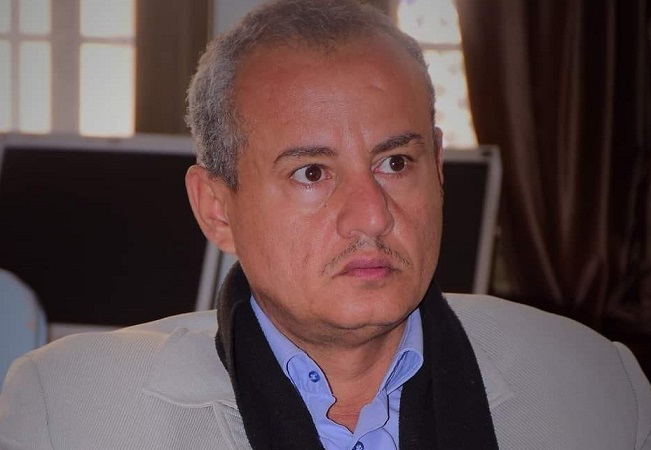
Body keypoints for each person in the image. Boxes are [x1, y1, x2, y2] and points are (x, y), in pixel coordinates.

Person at [1, 0, 650, 448]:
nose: (372, 215)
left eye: (395, 162)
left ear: (438, 171)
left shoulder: (596, 385)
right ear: (216, 208)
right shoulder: (70, 411)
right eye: (311, 172)